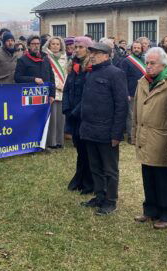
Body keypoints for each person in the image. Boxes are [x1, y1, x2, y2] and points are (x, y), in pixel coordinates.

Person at [131, 47, 167, 230]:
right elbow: (135, 109)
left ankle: (166, 213)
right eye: (147, 63)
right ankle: (150, 210)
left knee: (163, 179)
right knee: (147, 175)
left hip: (162, 137)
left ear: (163, 64)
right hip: (145, 135)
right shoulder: (142, 81)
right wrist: (134, 133)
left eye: (152, 63)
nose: (148, 67)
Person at [79, 42, 128, 215]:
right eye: (91, 52)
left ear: (107, 56)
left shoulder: (116, 74)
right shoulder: (91, 74)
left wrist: (117, 133)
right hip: (90, 130)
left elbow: (121, 105)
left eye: (97, 53)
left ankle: (110, 200)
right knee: (95, 167)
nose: (92, 55)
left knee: (109, 169)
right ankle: (100, 195)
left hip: (106, 131)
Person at [63, 36, 94, 194]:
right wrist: (67, 108)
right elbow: (67, 88)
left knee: (86, 149)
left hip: (84, 115)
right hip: (73, 114)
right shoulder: (73, 66)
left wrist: (76, 111)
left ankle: (88, 182)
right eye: (75, 47)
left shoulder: (91, 68)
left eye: (80, 47)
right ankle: (79, 178)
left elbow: (88, 94)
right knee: (79, 148)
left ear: (88, 49)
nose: (76, 50)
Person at [119, 40, 146, 143]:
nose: (136, 50)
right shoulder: (126, 61)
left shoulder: (144, 60)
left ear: (141, 49)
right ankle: (131, 137)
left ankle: (139, 135)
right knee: (131, 115)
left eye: (138, 48)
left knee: (141, 115)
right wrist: (126, 93)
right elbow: (122, 78)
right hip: (131, 92)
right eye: (134, 48)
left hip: (143, 92)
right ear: (131, 49)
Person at [43, 36, 68, 149]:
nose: (55, 46)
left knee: (61, 118)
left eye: (57, 44)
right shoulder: (46, 57)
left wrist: (64, 85)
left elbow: (66, 73)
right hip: (53, 90)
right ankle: (51, 141)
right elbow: (47, 74)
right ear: (49, 45)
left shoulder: (64, 57)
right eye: (53, 44)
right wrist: (56, 86)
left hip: (63, 90)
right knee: (52, 118)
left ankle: (59, 141)